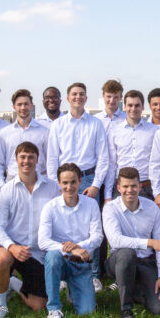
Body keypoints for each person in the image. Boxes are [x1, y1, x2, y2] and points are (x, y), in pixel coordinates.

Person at [0, 141, 61, 318]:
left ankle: (12, 282)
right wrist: (11, 246)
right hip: (13, 248)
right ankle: (0, 306)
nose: (26, 161)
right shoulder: (7, 189)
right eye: (22, 157)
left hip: (37, 252)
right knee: (1, 258)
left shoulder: (52, 188)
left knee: (39, 305)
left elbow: (59, 220)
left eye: (31, 157)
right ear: (16, 160)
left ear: (37, 160)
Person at [47, 82, 109, 292]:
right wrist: (56, 185)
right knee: (63, 226)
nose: (78, 97)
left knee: (91, 228)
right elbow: (52, 158)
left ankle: (93, 274)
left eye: (82, 94)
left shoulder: (96, 124)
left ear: (86, 98)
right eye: (74, 94)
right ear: (68, 98)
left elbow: (103, 157)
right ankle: (64, 273)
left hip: (88, 180)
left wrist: (96, 185)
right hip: (64, 180)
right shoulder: (58, 125)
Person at [103, 167, 160, 318]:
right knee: (127, 253)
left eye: (133, 186)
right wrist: (150, 243)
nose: (130, 190)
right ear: (118, 188)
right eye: (125, 186)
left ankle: (132, 288)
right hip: (119, 260)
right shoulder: (110, 209)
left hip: (146, 262)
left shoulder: (152, 208)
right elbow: (115, 240)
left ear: (140, 186)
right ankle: (126, 309)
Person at [39, 163, 103, 318]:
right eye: (65, 183)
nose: (69, 187)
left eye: (73, 182)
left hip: (80, 263)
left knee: (87, 311)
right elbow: (43, 241)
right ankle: (54, 308)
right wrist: (72, 249)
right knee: (52, 256)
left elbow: (97, 237)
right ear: (59, 183)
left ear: (80, 181)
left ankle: (73, 289)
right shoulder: (50, 207)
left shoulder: (91, 204)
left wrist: (78, 247)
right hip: (59, 261)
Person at [105, 90, 158, 201]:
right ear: (124, 107)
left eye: (137, 105)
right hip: (121, 187)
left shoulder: (154, 131)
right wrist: (107, 195)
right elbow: (111, 164)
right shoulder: (115, 130)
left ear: (143, 107)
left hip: (146, 187)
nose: (133, 109)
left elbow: (157, 163)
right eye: (130, 105)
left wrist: (157, 191)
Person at [0, 89, 50, 190]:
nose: (23, 107)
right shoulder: (5, 133)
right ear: (14, 107)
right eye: (19, 104)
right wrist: (2, 185)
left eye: (26, 104)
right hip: (12, 182)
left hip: (39, 182)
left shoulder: (44, 132)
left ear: (31, 105)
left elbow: (50, 160)